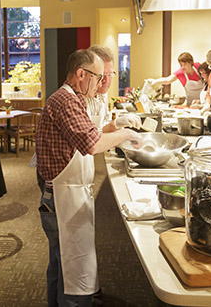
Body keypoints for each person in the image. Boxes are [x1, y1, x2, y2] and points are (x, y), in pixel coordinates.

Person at [36, 49, 143, 307]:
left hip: (66, 193)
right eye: (97, 77)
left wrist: (117, 127)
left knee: (63, 264)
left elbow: (91, 132)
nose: (100, 84)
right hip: (61, 198)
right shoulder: (67, 101)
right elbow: (92, 144)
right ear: (81, 74)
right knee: (73, 269)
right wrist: (127, 134)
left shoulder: (74, 97)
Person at [84, 45, 141, 131]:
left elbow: (104, 123)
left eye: (110, 74)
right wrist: (114, 125)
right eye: (102, 75)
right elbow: (89, 137)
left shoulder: (103, 95)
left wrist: (118, 127)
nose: (106, 80)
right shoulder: (79, 99)